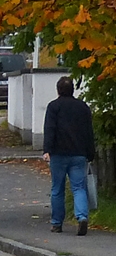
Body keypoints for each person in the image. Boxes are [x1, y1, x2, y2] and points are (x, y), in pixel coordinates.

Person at [43, 76, 96, 235]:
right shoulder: (82, 107)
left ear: (58, 90)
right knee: (79, 187)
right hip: (78, 153)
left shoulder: (54, 107)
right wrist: (90, 152)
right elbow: (88, 131)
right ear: (73, 90)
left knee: (57, 189)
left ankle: (57, 223)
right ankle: (82, 217)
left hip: (58, 154)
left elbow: (50, 129)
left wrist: (47, 150)